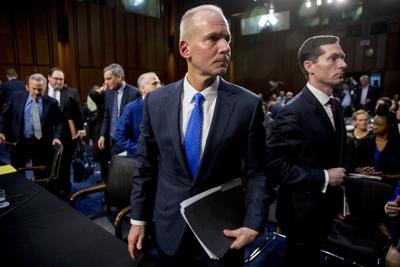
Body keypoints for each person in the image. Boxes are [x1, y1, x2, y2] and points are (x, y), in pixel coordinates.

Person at [127, 5, 270, 267]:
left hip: (223, 233)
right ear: (185, 49)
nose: (225, 47)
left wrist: (253, 223)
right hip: (169, 227)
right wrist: (138, 219)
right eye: (213, 38)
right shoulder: (156, 102)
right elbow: (145, 166)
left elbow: (258, 171)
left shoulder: (247, 105)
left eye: (227, 39)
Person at [266, 35, 347, 267]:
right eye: (333, 58)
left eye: (342, 57)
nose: (343, 64)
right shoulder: (292, 111)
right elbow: (275, 168)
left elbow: (334, 156)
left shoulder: (336, 104)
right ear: (310, 67)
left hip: (324, 207)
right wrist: (324, 177)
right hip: (300, 213)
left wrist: (338, 197)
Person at [0, 73, 62, 178]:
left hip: (41, 144)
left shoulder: (52, 103)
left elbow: (59, 122)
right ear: (27, 87)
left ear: (45, 88)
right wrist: (1, 131)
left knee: (42, 175)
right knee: (17, 175)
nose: (37, 92)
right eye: (34, 89)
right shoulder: (16, 97)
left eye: (40, 89)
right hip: (20, 143)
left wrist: (56, 137)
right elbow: (4, 116)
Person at [46, 67, 84, 197]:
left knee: (65, 164)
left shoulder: (71, 92)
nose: (59, 81)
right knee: (48, 163)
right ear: (49, 78)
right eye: (56, 78)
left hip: (67, 136)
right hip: (46, 135)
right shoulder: (42, 91)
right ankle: (50, 188)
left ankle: (66, 189)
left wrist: (80, 131)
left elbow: (78, 113)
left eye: (61, 79)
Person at [350, 105, 400, 185]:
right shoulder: (366, 142)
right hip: (368, 185)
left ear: (389, 126)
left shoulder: (397, 144)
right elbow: (354, 165)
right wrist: (361, 170)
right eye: (374, 124)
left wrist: (387, 176)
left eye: (379, 125)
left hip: (390, 187)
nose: (374, 127)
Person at [97, 63, 140, 156]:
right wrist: (102, 135)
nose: (106, 82)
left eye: (109, 78)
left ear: (119, 77)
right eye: (105, 79)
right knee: (115, 168)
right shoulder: (108, 92)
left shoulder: (135, 93)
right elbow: (107, 116)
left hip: (128, 141)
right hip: (113, 140)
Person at [114, 72, 161, 157]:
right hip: (139, 160)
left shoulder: (164, 106)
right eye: (154, 83)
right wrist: (139, 150)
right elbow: (119, 137)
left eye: (159, 83)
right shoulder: (131, 108)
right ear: (143, 88)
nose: (159, 86)